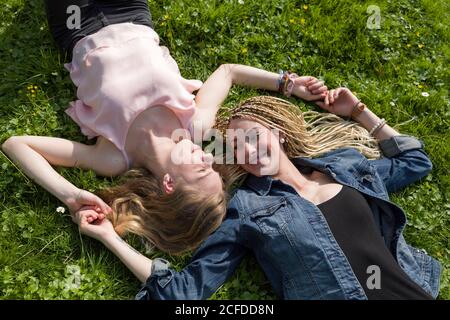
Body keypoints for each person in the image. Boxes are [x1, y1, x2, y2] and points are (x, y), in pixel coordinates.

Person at [1, 1, 328, 254]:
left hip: (75, 24)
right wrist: (287, 83)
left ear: (168, 184)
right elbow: (228, 72)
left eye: (202, 172)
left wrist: (71, 195)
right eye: (211, 166)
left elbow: (16, 144)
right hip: (130, 12)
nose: (207, 160)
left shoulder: (114, 157)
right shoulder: (196, 128)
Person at [72, 85, 441, 299]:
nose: (247, 152)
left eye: (251, 137)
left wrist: (359, 111)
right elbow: (185, 292)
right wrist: (109, 236)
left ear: (277, 132)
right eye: (234, 149)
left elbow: (414, 161)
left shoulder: (344, 166)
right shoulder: (246, 208)